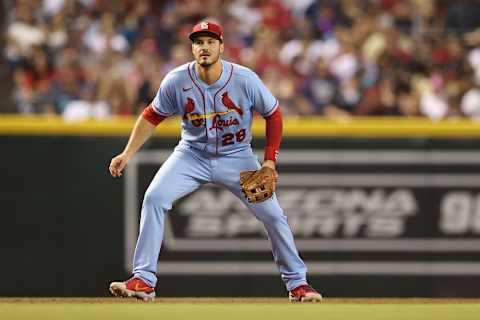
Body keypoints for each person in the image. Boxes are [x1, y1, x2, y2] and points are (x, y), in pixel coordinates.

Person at [108, 21, 322, 302]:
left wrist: (269, 161)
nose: (204, 47)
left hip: (237, 157)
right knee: (154, 197)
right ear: (192, 48)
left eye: (210, 41)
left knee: (273, 215)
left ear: (221, 46)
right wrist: (128, 153)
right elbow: (152, 116)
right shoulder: (177, 80)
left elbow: (274, 114)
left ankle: (298, 284)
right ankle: (144, 281)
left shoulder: (244, 79)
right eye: (198, 42)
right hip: (191, 155)